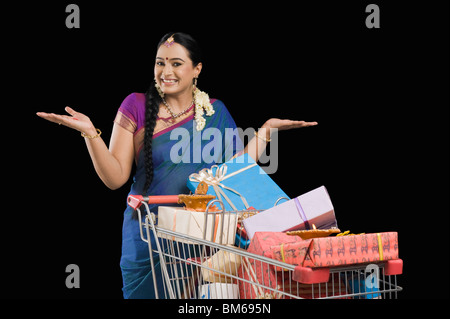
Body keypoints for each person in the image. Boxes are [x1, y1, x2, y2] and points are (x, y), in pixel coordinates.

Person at [36, 32, 318, 299]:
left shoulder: (214, 111)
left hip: (203, 237)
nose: (165, 71)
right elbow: (115, 178)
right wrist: (90, 133)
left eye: (176, 63)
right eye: (160, 63)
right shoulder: (135, 105)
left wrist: (266, 132)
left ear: (197, 69)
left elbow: (234, 171)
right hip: (148, 236)